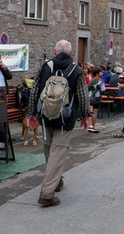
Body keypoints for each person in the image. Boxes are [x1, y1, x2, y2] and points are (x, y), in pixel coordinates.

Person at [27, 40, 90, 207]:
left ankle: (57, 180)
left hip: (45, 116)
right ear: (70, 53)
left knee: (49, 149)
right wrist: (86, 116)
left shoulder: (45, 66)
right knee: (58, 152)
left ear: (55, 52)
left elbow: (34, 90)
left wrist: (31, 114)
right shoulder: (76, 70)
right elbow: (83, 95)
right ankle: (47, 193)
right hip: (66, 119)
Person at [87, 67, 106, 133]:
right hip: (97, 98)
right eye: (101, 72)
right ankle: (93, 125)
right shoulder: (100, 80)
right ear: (97, 73)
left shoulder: (92, 80)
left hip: (90, 97)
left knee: (90, 111)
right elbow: (103, 90)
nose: (102, 73)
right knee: (95, 112)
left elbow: (88, 88)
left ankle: (90, 125)